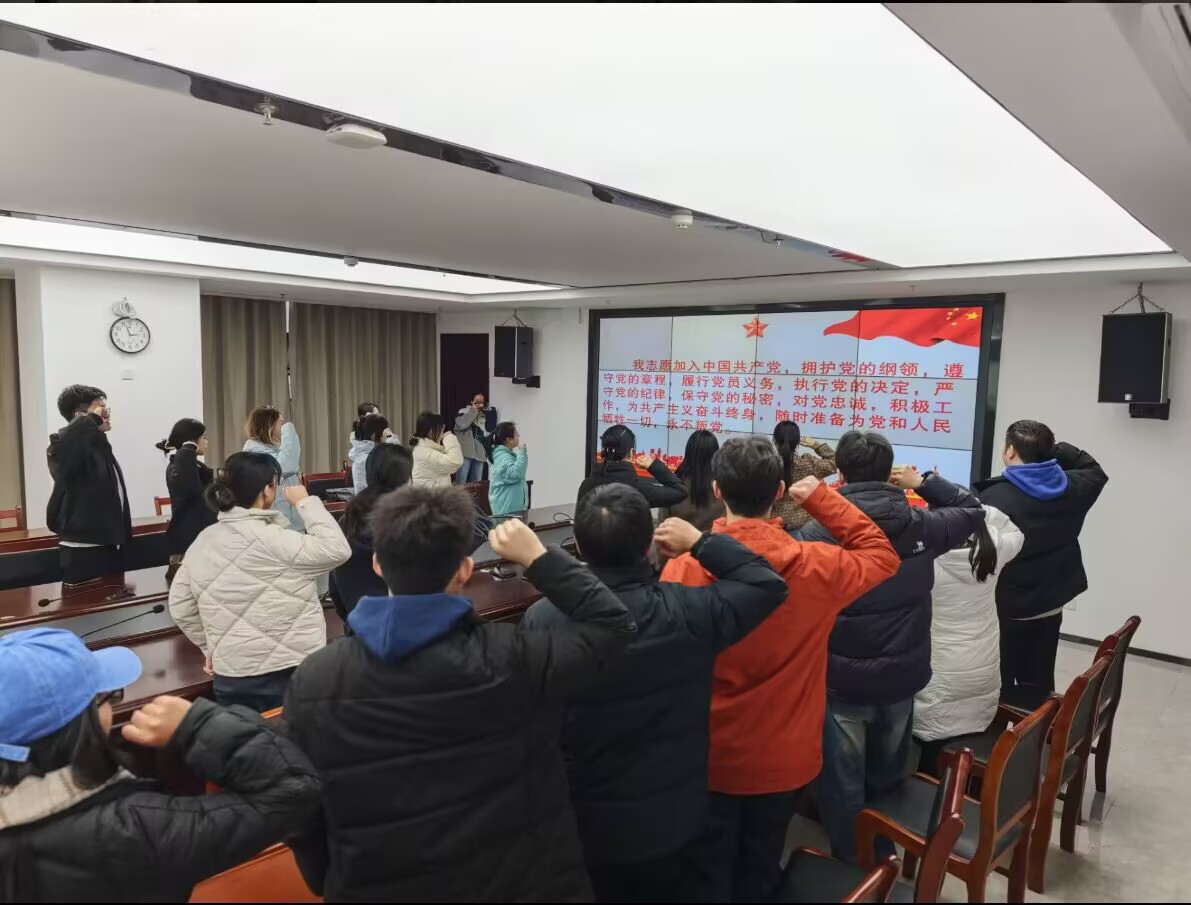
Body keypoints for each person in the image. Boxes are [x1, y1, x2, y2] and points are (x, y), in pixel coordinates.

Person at [284, 487, 636, 902]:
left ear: (378, 563)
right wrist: (538, 557)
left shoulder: (315, 680)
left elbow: (299, 803)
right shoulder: (516, 656)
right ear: (465, 569)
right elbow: (612, 625)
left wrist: (331, 874)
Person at [522, 484, 788, 904]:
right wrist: (700, 542)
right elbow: (766, 583)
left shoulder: (543, 619)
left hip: (583, 818)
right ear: (650, 543)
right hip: (674, 816)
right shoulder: (689, 611)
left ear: (580, 547)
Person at [661, 437, 899, 902]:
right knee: (762, 860)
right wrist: (822, 499)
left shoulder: (684, 568)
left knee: (708, 868)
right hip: (786, 757)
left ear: (717, 489)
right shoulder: (817, 565)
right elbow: (881, 553)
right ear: (778, 491)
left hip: (708, 753)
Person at [0, 627, 321, 902]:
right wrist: (198, 724)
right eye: (109, 697)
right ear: (84, 723)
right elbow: (293, 792)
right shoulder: (135, 830)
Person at [796, 431, 986, 864]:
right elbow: (971, 508)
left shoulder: (816, 532)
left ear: (840, 473)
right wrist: (924, 483)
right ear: (890, 473)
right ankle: (885, 859)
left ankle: (856, 868)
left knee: (843, 784)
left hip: (841, 683)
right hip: (902, 678)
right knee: (888, 778)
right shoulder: (921, 525)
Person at [168, 451, 351, 712]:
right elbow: (338, 549)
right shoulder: (278, 539)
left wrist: (211, 647)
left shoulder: (203, 542)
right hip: (293, 670)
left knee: (244, 737)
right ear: (267, 490)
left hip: (233, 675)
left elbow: (180, 606)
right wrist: (305, 502)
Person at [974, 421, 1108, 699]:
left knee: (1000, 681)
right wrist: (1048, 449)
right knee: (1038, 678)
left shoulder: (994, 498)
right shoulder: (1075, 485)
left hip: (1009, 606)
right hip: (1051, 600)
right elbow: (1092, 467)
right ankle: (1038, 718)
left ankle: (1005, 721)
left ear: (1010, 451)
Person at [914, 508, 1024, 773]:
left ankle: (931, 783)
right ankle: (965, 780)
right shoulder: (994, 551)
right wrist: (971, 506)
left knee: (932, 732)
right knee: (969, 724)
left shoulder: (925, 562)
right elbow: (1014, 531)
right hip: (982, 668)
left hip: (940, 671)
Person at [331, 444, 491, 622]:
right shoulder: (407, 523)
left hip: (361, 624)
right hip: (407, 624)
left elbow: (334, 589)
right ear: (407, 479)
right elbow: (476, 531)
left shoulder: (347, 518)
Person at [46, 385, 131, 584]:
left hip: (106, 543)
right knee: (83, 601)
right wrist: (90, 420)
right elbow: (66, 446)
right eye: (101, 409)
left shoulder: (98, 446)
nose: (107, 414)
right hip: (82, 549)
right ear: (80, 416)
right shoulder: (63, 446)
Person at [156, 418, 216, 583]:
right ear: (192, 442)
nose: (207, 441)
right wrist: (187, 449)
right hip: (186, 542)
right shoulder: (178, 468)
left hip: (199, 539)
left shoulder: (194, 466)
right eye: (203, 437)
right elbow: (192, 488)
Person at [577, 424, 687, 509]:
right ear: (631, 453)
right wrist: (653, 466)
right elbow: (680, 491)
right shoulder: (638, 489)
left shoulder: (586, 485)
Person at [242, 404, 303, 530]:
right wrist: (289, 428)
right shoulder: (255, 453)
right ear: (269, 427)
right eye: (281, 424)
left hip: (289, 524)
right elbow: (286, 465)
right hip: (275, 527)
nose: (284, 427)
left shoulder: (273, 450)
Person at [771, 420, 837, 531]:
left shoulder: (765, 465)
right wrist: (816, 445)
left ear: (774, 440)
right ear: (797, 442)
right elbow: (835, 462)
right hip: (803, 528)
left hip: (772, 525)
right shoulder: (808, 463)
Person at [660, 429, 725, 531]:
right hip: (714, 540)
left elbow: (662, 525)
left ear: (688, 452)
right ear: (715, 454)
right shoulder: (723, 487)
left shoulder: (673, 484)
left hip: (677, 540)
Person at [409, 410, 464, 488]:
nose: (442, 432)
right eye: (440, 429)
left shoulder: (425, 447)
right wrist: (449, 437)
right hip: (432, 495)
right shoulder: (424, 452)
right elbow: (455, 461)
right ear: (431, 431)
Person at [488, 421, 529, 516]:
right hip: (506, 511)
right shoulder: (502, 457)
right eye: (516, 434)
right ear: (509, 439)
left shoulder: (505, 455)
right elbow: (515, 474)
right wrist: (522, 452)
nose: (519, 435)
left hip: (510, 510)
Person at [347, 413, 393, 493]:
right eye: (383, 435)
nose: (384, 440)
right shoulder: (372, 458)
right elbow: (399, 464)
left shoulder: (360, 454)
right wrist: (390, 437)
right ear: (374, 436)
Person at [453, 392, 490, 484]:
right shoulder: (462, 411)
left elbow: (489, 430)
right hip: (465, 452)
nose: (479, 403)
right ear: (471, 401)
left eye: (481, 401)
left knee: (477, 485)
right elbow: (462, 424)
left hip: (480, 453)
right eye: (477, 401)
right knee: (461, 483)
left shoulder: (485, 414)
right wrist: (473, 410)